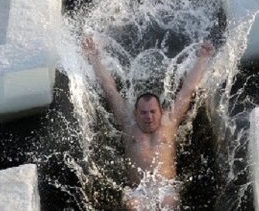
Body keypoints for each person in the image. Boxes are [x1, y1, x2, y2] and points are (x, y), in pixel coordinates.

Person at [82, 36, 215, 210]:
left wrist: (203, 58)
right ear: (136, 113)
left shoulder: (169, 122)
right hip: (139, 191)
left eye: (153, 112)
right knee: (133, 206)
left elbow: (187, 90)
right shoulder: (128, 123)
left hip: (166, 189)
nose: (148, 117)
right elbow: (110, 90)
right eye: (143, 113)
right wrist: (94, 57)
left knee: (169, 203)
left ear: (161, 112)